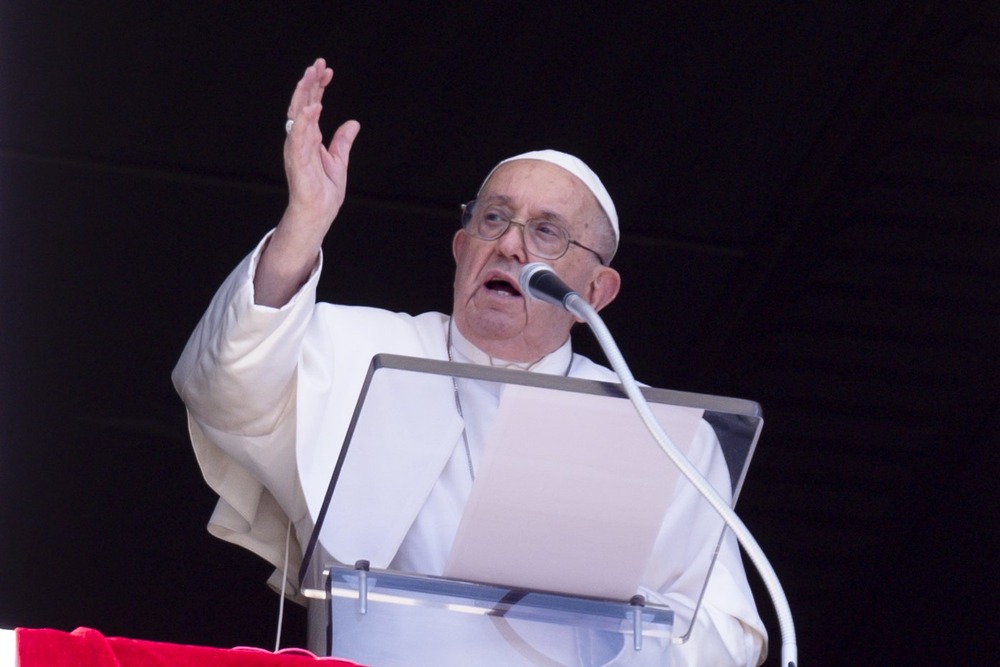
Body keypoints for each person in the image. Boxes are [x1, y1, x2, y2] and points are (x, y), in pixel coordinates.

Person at [173, 58, 767, 666]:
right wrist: (304, 224)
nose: (510, 244)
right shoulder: (360, 350)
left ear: (595, 293)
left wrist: (608, 633)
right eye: (493, 219)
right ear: (462, 251)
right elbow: (224, 383)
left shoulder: (661, 435)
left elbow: (726, 633)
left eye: (547, 232)